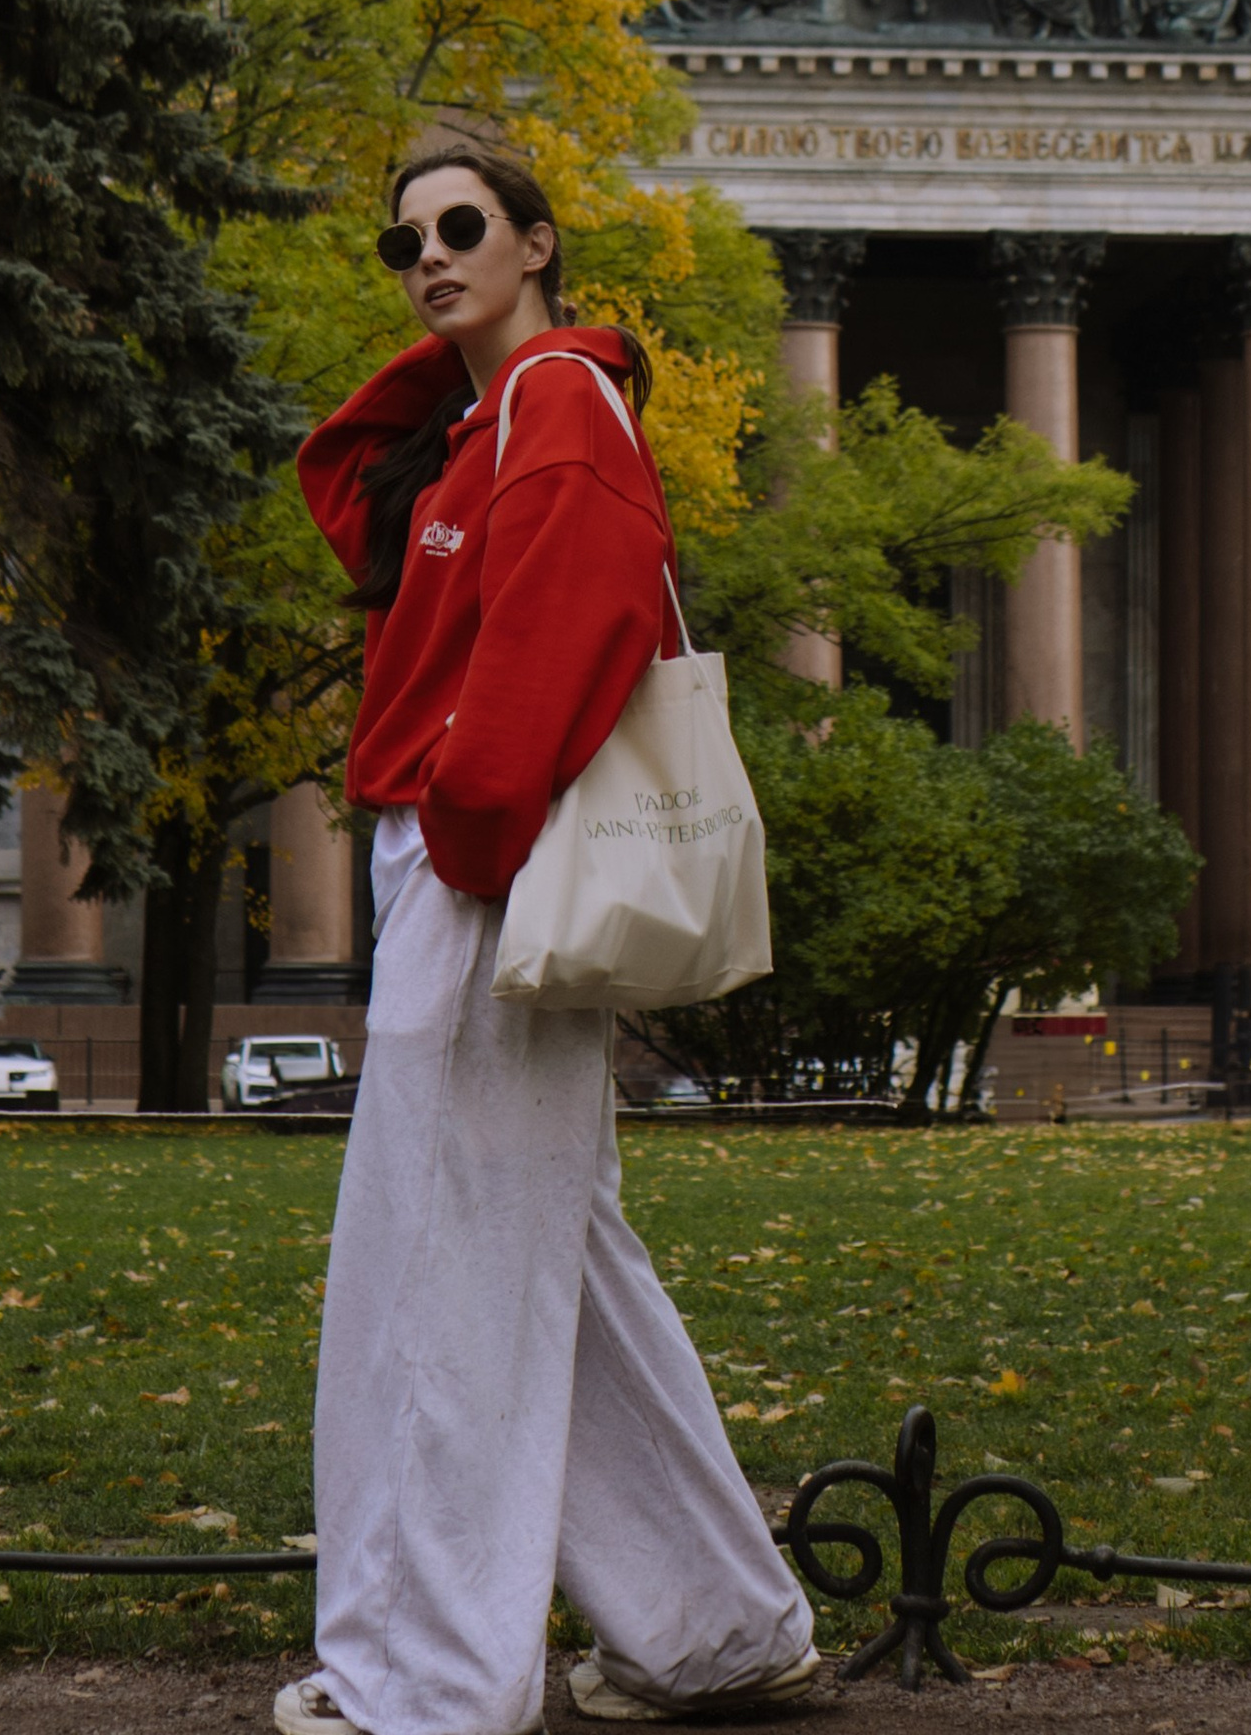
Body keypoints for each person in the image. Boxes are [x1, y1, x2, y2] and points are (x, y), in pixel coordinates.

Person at [276, 121, 818, 1735]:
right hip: (470, 857)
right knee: (555, 1265)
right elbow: (353, 502)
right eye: (405, 241)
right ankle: (719, 1629)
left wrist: (468, 827)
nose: (428, 255)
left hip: (481, 866)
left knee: (441, 1278)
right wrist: (446, 374)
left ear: (538, 242)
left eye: (461, 226)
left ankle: (430, 1684)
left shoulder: (559, 402)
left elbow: (572, 606)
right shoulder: (495, 414)